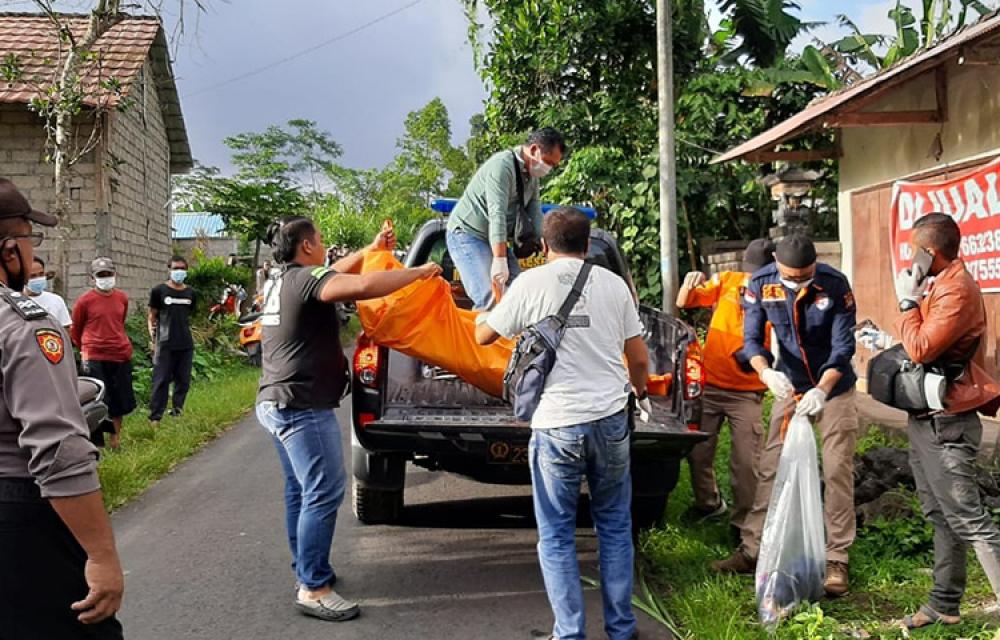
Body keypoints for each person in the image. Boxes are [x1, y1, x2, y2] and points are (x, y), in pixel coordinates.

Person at [474, 207, 649, 640]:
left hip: (556, 426)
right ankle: (621, 629)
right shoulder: (614, 285)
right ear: (587, 245)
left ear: (545, 247)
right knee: (613, 524)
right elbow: (640, 358)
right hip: (610, 421)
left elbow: (483, 337)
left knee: (555, 534)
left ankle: (569, 633)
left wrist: (497, 306)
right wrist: (639, 393)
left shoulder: (529, 283)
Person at [256, 216, 441, 622]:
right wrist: (419, 274)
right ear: (306, 247)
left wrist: (373, 248)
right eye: (320, 241)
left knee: (300, 490)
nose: (324, 248)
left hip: (277, 400)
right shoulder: (306, 278)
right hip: (300, 406)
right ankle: (314, 588)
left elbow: (342, 270)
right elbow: (356, 285)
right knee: (323, 490)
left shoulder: (281, 279)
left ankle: (307, 569)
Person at [860, 213, 1000, 630]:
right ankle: (944, 603)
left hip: (949, 423)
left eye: (912, 248)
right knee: (940, 513)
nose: (907, 256)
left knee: (969, 518)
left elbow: (920, 348)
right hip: (927, 418)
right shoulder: (939, 284)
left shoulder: (956, 290)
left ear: (930, 252)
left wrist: (907, 302)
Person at [0, 178, 124, 639]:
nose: (33, 256)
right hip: (21, 519)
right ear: (10, 250)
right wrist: (101, 556)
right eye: (31, 241)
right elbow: (56, 449)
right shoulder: (23, 324)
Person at [713, 233, 858, 598]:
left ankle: (836, 558)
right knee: (770, 465)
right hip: (788, 385)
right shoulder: (761, 284)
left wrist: (823, 390)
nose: (798, 282)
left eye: (805, 275)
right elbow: (751, 341)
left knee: (838, 467)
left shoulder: (834, 285)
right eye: (791, 276)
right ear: (776, 263)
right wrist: (765, 372)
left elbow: (843, 347)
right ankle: (752, 549)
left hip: (834, 388)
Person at [675, 239, 774, 537]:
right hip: (712, 384)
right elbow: (684, 302)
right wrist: (688, 284)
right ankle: (708, 504)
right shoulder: (729, 281)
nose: (752, 277)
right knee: (699, 453)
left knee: (745, 462)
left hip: (747, 392)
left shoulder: (778, 294)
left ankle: (744, 524)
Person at [446, 127, 566, 310]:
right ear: (534, 150)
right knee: (491, 299)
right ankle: (483, 338)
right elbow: (497, 214)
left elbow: (535, 212)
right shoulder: (502, 166)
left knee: (519, 296)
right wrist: (500, 260)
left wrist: (550, 248)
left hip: (492, 239)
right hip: (467, 234)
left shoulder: (531, 176)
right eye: (548, 163)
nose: (548, 170)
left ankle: (512, 339)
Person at [71, 257, 135, 450]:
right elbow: (76, 330)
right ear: (93, 277)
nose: (105, 278)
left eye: (108, 274)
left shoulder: (122, 298)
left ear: (115, 274)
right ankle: (97, 444)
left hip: (120, 354)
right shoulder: (85, 301)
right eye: (101, 275)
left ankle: (115, 440)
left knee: (119, 399)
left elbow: (119, 322)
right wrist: (87, 348)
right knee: (96, 401)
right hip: (95, 356)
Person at [147, 256, 197, 427]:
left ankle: (177, 411)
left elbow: (190, 315)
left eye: (182, 268)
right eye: (176, 268)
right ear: (169, 270)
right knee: (160, 381)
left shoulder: (190, 293)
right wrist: (153, 339)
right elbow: (152, 316)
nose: (179, 272)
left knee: (183, 380)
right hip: (165, 343)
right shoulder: (158, 291)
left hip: (185, 344)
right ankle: (155, 418)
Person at [25, 256, 72, 329]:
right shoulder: (15, 302)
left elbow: (65, 328)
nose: (38, 279)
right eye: (32, 276)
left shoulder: (56, 300)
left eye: (41, 274)